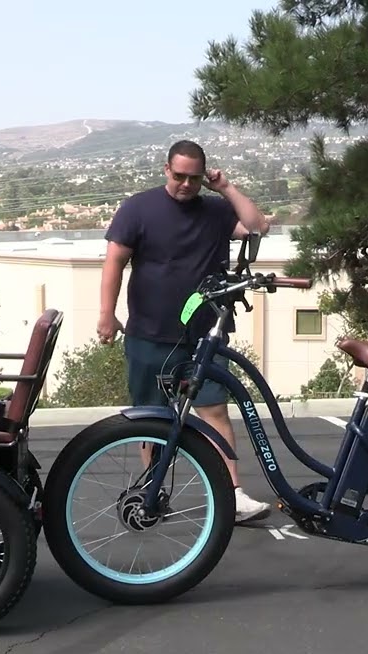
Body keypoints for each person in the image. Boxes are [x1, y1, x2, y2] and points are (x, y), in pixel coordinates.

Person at [98, 140, 273, 523]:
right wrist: (106, 315)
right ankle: (151, 492)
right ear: (166, 170)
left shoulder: (215, 210)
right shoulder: (137, 208)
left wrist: (225, 187)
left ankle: (233, 495)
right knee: (151, 418)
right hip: (149, 333)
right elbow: (114, 261)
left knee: (213, 410)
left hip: (203, 337)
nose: (186, 184)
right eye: (179, 176)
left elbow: (259, 226)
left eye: (194, 178)